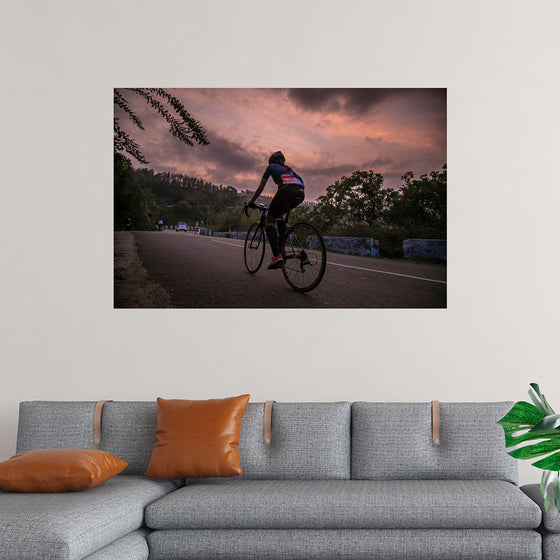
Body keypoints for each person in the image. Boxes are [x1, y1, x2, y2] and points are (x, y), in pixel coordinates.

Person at [248, 151, 305, 269]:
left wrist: (251, 202)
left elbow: (260, 188)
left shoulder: (270, 167)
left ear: (272, 161)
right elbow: (294, 188)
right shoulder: (290, 170)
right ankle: (282, 247)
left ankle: (277, 256)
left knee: (269, 221)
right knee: (280, 217)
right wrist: (286, 210)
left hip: (286, 190)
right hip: (300, 192)